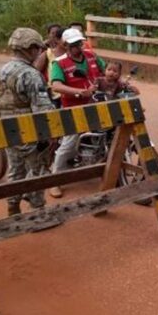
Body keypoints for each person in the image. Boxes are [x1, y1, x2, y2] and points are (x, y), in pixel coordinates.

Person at [0, 28, 56, 216]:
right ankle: (37, 211)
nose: (39, 53)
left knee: (15, 169)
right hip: (31, 132)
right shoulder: (31, 75)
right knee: (38, 170)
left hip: (8, 130)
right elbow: (43, 109)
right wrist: (50, 134)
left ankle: (13, 207)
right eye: (38, 49)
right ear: (31, 48)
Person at [47, 28, 107, 198]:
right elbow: (56, 86)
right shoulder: (59, 63)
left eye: (79, 43)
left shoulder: (91, 56)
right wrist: (79, 92)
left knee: (109, 134)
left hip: (97, 104)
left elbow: (106, 72)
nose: (77, 47)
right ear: (66, 45)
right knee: (69, 143)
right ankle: (55, 180)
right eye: (73, 44)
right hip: (74, 109)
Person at [33, 23, 65, 108]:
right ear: (48, 35)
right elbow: (35, 71)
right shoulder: (47, 52)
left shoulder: (70, 51)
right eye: (52, 33)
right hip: (54, 93)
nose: (55, 36)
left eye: (57, 33)